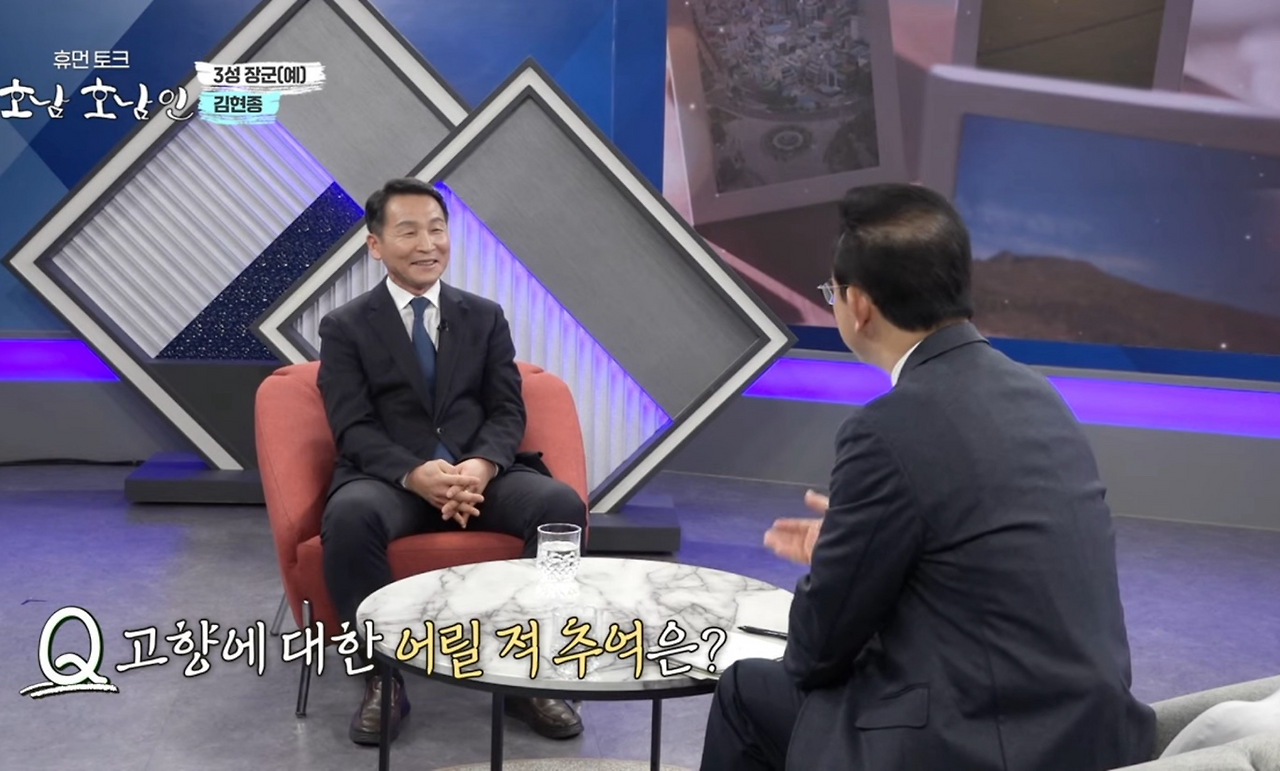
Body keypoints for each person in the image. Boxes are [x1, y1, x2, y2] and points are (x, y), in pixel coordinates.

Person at [699, 183, 1156, 770]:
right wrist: (858, 546)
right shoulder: (1039, 395)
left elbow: (815, 654)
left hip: (979, 747)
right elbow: (977, 556)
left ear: (859, 305)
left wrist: (843, 563)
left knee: (744, 691)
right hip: (1090, 734)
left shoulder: (886, 428)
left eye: (831, 292)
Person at [317, 178, 587, 747]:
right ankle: (381, 678)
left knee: (559, 506)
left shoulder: (484, 316)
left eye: (437, 229)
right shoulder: (345, 327)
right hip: (391, 481)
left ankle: (529, 670)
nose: (427, 244)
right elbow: (352, 426)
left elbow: (507, 409)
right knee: (349, 516)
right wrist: (415, 474)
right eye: (408, 231)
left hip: (477, 476)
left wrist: (482, 466)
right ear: (375, 245)